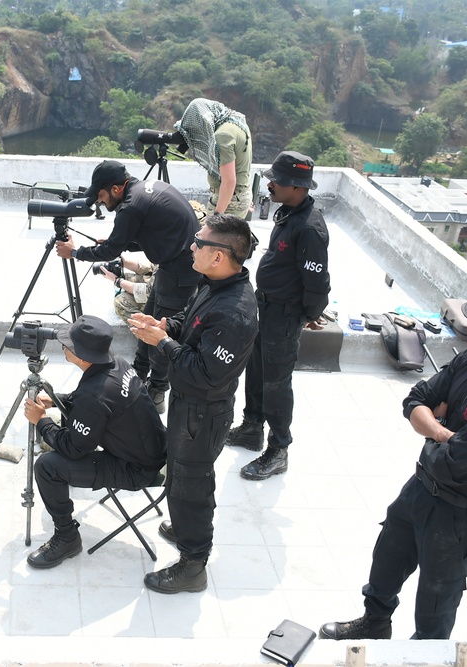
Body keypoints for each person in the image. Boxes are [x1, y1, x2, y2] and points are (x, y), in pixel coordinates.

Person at [320, 285, 467, 640]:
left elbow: (451, 464)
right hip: (419, 490)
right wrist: (446, 433)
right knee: (386, 564)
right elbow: (416, 399)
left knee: (436, 600)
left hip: (458, 513)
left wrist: (435, 428)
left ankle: (424, 656)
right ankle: (374, 625)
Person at [128, 213, 258, 593]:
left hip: (203, 412)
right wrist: (164, 325)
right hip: (191, 408)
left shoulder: (234, 312)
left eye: (198, 242)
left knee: (193, 486)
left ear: (218, 256)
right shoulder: (216, 284)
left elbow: (203, 372)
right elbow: (190, 319)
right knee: (181, 476)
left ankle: (193, 562)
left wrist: (161, 344)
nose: (191, 246)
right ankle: (184, 526)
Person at [22, 315, 167, 569]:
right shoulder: (116, 364)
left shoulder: (95, 395)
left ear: (82, 356)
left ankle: (67, 537)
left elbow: (73, 448)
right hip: (157, 450)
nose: (64, 348)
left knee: (47, 466)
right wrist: (58, 400)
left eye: (68, 345)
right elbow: (92, 400)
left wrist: (41, 421)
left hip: (138, 470)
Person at [58, 160, 200, 414]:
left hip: (180, 271)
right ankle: (138, 376)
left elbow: (112, 250)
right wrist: (120, 240)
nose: (100, 202)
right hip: (175, 264)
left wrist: (75, 252)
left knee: (160, 331)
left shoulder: (130, 207)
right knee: (147, 322)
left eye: (100, 196)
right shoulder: (144, 188)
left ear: (115, 189)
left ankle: (156, 393)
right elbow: (153, 231)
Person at [233, 151, 330, 481]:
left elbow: (317, 282)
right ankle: (251, 427)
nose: (270, 185)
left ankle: (278, 450)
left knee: (276, 382)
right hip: (267, 308)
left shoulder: (309, 228)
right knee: (257, 369)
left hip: (284, 316)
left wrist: (307, 315)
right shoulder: (288, 212)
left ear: (298, 187)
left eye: (278, 181)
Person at [174, 98, 255, 216]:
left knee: (213, 234)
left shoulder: (223, 135)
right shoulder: (236, 120)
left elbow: (229, 181)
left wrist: (216, 216)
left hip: (228, 201)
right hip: (239, 195)